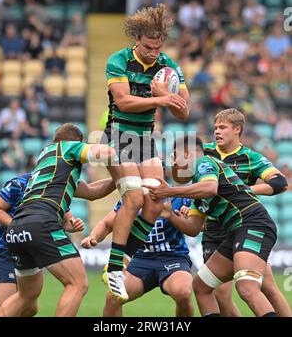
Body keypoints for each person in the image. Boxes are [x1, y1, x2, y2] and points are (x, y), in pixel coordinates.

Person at [100, 3, 189, 301]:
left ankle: (122, 259)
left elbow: (183, 112)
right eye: (148, 47)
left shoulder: (169, 67)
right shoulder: (119, 60)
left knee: (155, 201)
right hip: (118, 135)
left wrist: (169, 97)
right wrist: (162, 101)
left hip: (144, 141)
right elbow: (123, 102)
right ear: (137, 39)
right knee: (135, 197)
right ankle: (115, 267)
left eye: (158, 47)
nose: (153, 52)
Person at [146, 136, 284, 317]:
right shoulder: (197, 190)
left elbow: (210, 188)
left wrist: (169, 191)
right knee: (201, 287)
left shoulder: (203, 162)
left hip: (252, 224)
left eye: (174, 157)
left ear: (185, 154)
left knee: (246, 286)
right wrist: (169, 214)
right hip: (236, 232)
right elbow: (194, 228)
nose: (173, 164)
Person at [0, 123, 115, 317]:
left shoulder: (48, 164)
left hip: (17, 227)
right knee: (78, 283)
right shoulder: (68, 147)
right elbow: (106, 152)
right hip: (41, 221)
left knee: (27, 296)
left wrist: (121, 181)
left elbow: (93, 192)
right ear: (76, 142)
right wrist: (134, 161)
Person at [202, 108, 291, 317]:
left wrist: (245, 190)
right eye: (215, 128)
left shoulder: (250, 157)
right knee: (220, 295)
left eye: (222, 127)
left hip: (243, 226)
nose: (217, 132)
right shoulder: (204, 153)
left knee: (266, 287)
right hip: (214, 230)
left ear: (237, 129)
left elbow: (280, 182)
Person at [82, 197, 194, 317]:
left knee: (183, 293)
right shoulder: (131, 198)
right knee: (113, 298)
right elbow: (107, 224)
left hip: (173, 257)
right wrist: (93, 237)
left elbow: (198, 226)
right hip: (140, 258)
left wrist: (187, 216)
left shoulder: (179, 198)